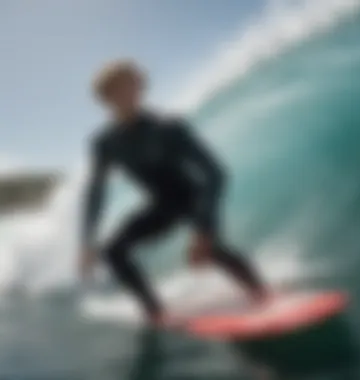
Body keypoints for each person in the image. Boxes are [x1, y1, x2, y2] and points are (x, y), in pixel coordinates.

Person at [80, 59, 268, 325]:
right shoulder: (104, 143)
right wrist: (87, 240)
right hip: (161, 204)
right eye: (119, 89)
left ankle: (260, 293)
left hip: (194, 198)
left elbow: (215, 173)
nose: (130, 94)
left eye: (134, 85)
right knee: (113, 251)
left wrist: (204, 228)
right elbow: (96, 191)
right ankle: (154, 312)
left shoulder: (168, 127)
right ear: (105, 98)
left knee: (212, 249)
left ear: (141, 88)